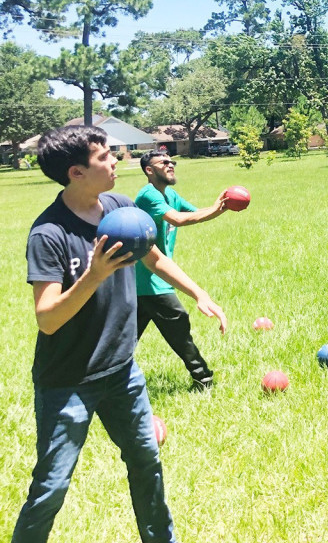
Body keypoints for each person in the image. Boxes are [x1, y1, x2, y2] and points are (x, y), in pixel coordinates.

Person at [14, 126, 227, 543]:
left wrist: (198, 293)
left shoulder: (121, 208)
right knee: (51, 486)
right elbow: (47, 319)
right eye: (104, 156)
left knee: (147, 463)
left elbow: (154, 258)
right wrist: (94, 275)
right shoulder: (49, 234)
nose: (116, 161)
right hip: (68, 381)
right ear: (76, 172)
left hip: (122, 371)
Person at [135, 150, 229, 390]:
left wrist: (220, 207)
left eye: (172, 161)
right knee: (177, 321)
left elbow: (194, 213)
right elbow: (178, 219)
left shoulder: (170, 194)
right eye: (164, 162)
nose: (171, 165)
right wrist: (216, 210)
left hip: (147, 278)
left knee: (124, 338)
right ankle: (203, 377)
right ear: (149, 170)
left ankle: (100, 376)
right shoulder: (148, 195)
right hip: (148, 277)